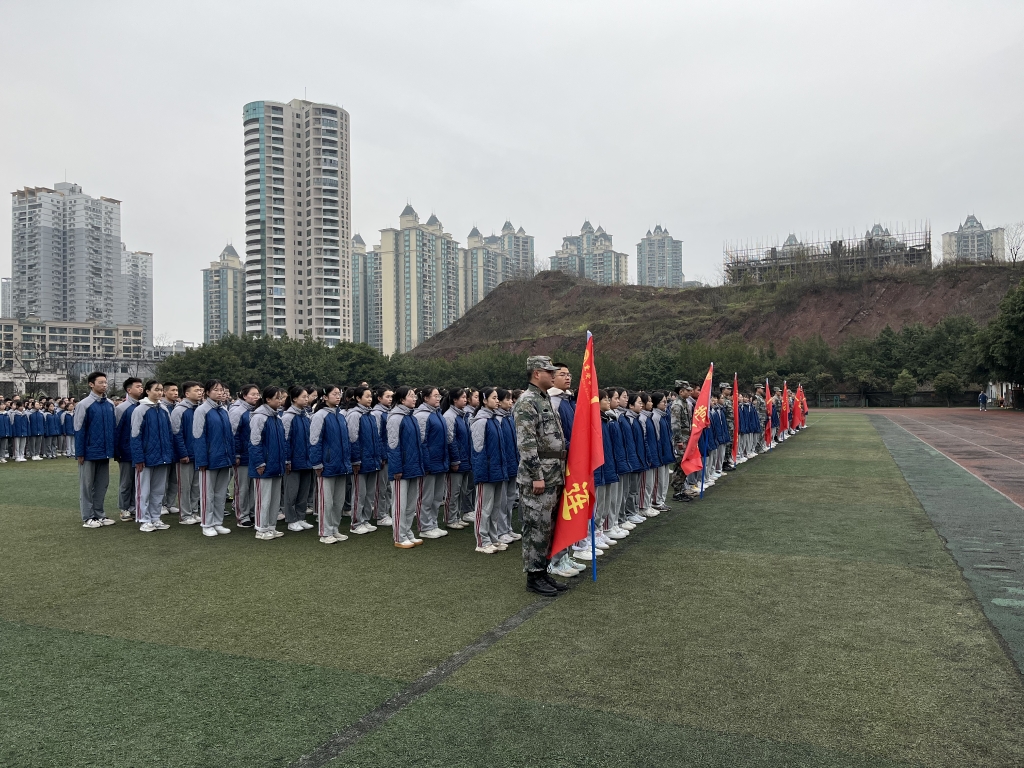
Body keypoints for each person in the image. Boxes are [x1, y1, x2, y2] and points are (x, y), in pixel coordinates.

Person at [513, 355, 569, 597]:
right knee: (536, 526)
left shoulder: (544, 399)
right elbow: (527, 444)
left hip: (553, 474)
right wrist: (537, 475)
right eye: (549, 371)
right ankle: (534, 576)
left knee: (548, 527)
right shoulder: (527, 402)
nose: (553, 374)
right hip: (539, 477)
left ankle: (542, 570)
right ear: (537, 373)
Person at [129, 380, 175, 532]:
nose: (159, 392)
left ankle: (155, 518)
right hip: (146, 458)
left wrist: (168, 454)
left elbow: (169, 434)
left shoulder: (163, 409)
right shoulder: (140, 410)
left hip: (162, 457)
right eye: (156, 389)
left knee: (158, 490)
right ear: (147, 391)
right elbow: (135, 435)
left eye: (161, 390)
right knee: (144, 490)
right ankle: (143, 519)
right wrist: (139, 458)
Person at [309, 385, 352, 544]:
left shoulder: (340, 415)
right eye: (334, 394)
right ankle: (325, 532)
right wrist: (317, 463)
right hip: (327, 465)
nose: (338, 396)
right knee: (326, 501)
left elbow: (346, 441)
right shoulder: (320, 416)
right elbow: (314, 441)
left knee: (338, 500)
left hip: (341, 465)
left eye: (339, 394)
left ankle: (334, 528)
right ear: (325, 397)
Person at [193, 379, 236, 538]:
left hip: (224, 460)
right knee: (207, 494)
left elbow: (229, 437)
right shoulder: (202, 410)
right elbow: (198, 436)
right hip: (209, 460)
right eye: (216, 390)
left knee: (220, 494)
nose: (220, 393)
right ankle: (207, 523)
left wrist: (231, 457)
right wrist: (202, 460)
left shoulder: (224, 410)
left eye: (222, 390)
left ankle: (218, 522)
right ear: (207, 392)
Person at [75, 371, 117, 527]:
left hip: (104, 452)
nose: (104, 385)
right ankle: (88, 517)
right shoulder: (84, 404)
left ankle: (100, 514)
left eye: (105, 382)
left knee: (102, 484)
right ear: (91, 384)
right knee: (86, 485)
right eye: (101, 382)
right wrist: (80, 452)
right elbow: (79, 429)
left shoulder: (110, 405)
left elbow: (113, 429)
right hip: (88, 452)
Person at [470, 387, 507, 554]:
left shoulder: (494, 420)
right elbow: (478, 451)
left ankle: (493, 537)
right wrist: (482, 474)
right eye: (493, 398)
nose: (497, 400)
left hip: (497, 470)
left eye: (497, 398)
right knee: (484, 507)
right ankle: (482, 540)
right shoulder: (481, 421)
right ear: (484, 401)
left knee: (495, 507)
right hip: (486, 472)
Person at [249, 386, 289, 541]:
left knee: (274, 499)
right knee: (263, 499)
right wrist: (259, 462)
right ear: (267, 399)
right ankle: (261, 528)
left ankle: (271, 526)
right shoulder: (259, 417)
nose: (280, 401)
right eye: (277, 398)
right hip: (264, 465)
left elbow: (282, 442)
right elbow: (254, 442)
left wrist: (284, 460)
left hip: (276, 464)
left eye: (281, 398)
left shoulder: (277, 418)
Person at [387, 385, 425, 549]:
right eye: (411, 395)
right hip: (401, 469)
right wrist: (396, 468)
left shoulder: (412, 417)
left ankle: (407, 531)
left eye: (415, 395)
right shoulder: (395, 418)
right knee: (400, 505)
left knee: (410, 505)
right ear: (402, 399)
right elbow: (393, 445)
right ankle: (399, 536)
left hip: (413, 467)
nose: (415, 398)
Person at [346, 384, 383, 535]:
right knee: (359, 493)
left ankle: (365, 519)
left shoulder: (371, 415)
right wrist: (355, 460)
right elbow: (352, 439)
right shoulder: (355, 415)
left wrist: (379, 457)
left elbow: (377, 439)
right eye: (366, 396)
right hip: (361, 461)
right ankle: (356, 522)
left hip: (372, 460)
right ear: (357, 398)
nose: (370, 399)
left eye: (370, 396)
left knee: (369, 493)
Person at [413, 385, 449, 539]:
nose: (438, 398)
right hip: (429, 463)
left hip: (440, 461)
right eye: (435, 396)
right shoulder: (422, 415)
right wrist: (426, 464)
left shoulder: (438, 413)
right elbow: (422, 442)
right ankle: (424, 527)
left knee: (437, 496)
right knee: (426, 496)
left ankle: (433, 523)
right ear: (426, 398)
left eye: (439, 396)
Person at [281, 386, 315, 533]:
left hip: (307, 460)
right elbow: (285, 440)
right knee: (291, 492)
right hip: (293, 461)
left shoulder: (306, 416)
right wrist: (287, 460)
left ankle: (300, 517)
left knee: (303, 491)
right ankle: (291, 519)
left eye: (307, 397)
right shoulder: (288, 417)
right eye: (303, 397)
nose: (306, 399)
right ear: (294, 399)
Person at [170, 381, 203, 525]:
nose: (200, 392)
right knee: (185, 486)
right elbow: (176, 433)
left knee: (196, 485)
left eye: (201, 390)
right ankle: (185, 514)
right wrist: (182, 453)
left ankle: (194, 511)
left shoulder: (200, 409)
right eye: (196, 390)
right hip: (186, 455)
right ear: (187, 394)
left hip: (198, 454)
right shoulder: (179, 410)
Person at [228, 384, 260, 528]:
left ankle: (252, 512)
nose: (256, 397)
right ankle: (242, 516)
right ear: (244, 395)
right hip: (242, 455)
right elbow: (234, 435)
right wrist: (236, 454)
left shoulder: (256, 411)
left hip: (253, 455)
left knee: (252, 487)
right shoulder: (238, 411)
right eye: (252, 394)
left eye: (257, 394)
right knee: (242, 487)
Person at [441, 388, 472, 531]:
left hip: (465, 459)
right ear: (454, 400)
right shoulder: (450, 416)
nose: (465, 400)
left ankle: (457, 516)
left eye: (466, 398)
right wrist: (455, 460)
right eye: (463, 398)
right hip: (457, 460)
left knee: (462, 490)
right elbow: (450, 440)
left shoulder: (462, 415)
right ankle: (450, 518)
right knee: (453, 491)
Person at [114, 379, 144, 521]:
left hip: (139, 450)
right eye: (137, 387)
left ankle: (134, 506)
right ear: (129, 390)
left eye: (141, 386)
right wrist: (118, 451)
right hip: (126, 450)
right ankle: (124, 508)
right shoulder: (122, 408)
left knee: (137, 481)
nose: (141, 389)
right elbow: (117, 431)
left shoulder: (143, 406)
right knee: (126, 482)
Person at [369, 386, 394, 527]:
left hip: (389, 454)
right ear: (379, 398)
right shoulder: (377, 413)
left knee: (388, 487)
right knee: (381, 487)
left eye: (391, 396)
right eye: (387, 396)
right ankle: (380, 514)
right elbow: (378, 437)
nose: (390, 399)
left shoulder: (388, 412)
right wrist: (381, 455)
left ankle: (385, 511)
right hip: (383, 455)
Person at [160, 382, 180, 515]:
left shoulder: (178, 407)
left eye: (177, 390)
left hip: (176, 447)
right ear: (165, 392)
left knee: (174, 477)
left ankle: (170, 503)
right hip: (166, 447)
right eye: (172, 390)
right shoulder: (161, 407)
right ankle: (160, 504)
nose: (176, 393)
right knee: (163, 478)